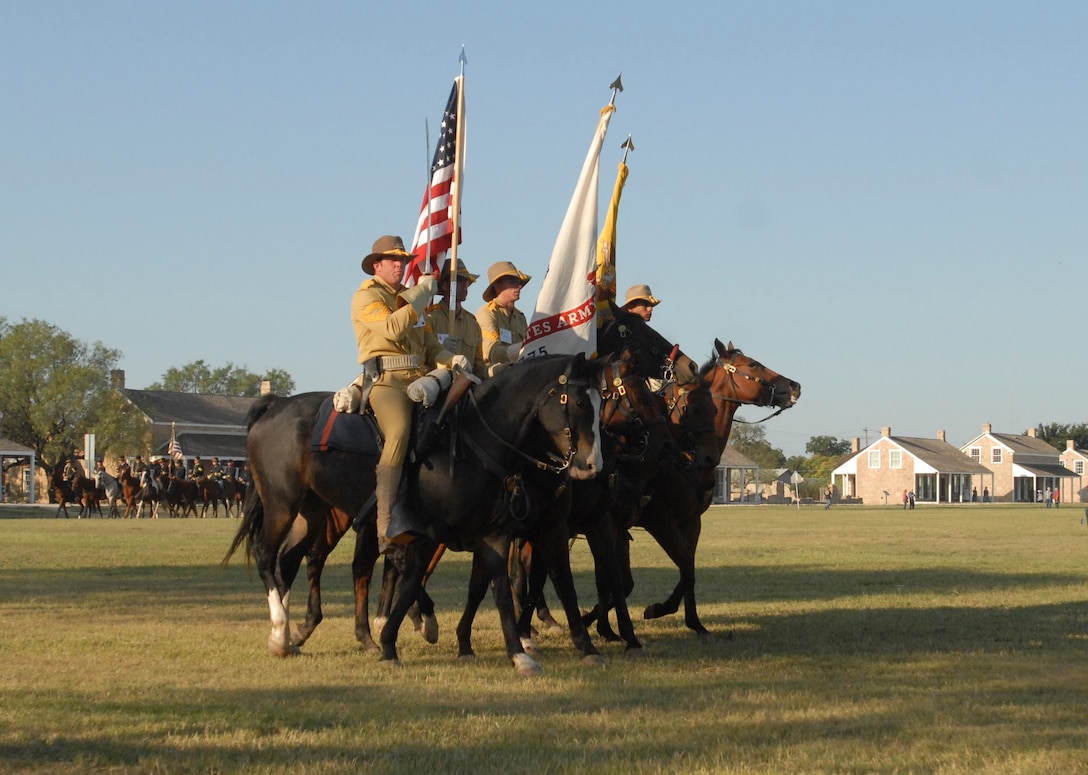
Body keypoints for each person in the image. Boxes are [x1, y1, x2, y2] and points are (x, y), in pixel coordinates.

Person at [352, 234, 468, 554]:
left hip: (422, 377)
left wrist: (450, 359)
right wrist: (420, 295)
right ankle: (385, 525)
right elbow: (392, 328)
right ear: (378, 265)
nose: (401, 266)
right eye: (395, 261)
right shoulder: (366, 297)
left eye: (404, 261)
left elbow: (430, 346)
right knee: (400, 433)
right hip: (387, 380)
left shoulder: (409, 296)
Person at [427, 258, 487, 376]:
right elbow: (423, 358)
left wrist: (498, 370)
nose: (465, 285)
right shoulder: (431, 318)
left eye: (466, 281)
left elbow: (478, 366)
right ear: (444, 285)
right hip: (438, 384)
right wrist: (442, 352)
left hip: (467, 386)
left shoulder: (472, 323)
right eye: (458, 280)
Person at [476, 261, 531, 376]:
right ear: (497, 286)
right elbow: (492, 353)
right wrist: (524, 347)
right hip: (494, 377)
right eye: (512, 282)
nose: (519, 286)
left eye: (519, 282)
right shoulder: (487, 313)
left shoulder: (520, 317)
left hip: (518, 373)